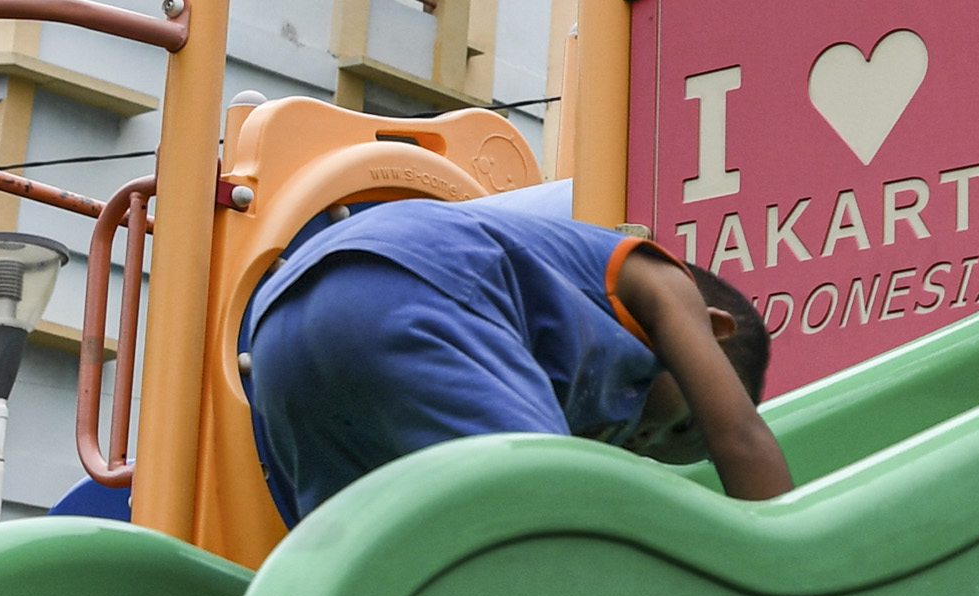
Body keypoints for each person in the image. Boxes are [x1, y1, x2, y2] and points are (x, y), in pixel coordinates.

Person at [235, 187, 792, 516]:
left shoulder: (558, 388)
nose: (647, 439)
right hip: (418, 281)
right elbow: (738, 437)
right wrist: (786, 558)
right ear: (710, 329)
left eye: (654, 451)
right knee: (550, 514)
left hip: (277, 331)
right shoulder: (661, 284)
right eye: (681, 424)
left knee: (357, 555)